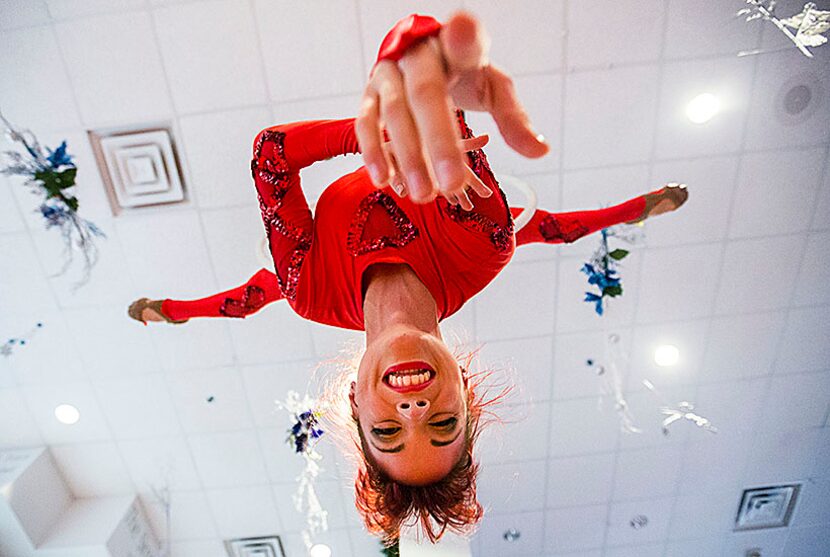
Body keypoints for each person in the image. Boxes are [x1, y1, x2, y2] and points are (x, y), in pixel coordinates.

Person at [127, 12, 688, 544]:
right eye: (443, 423)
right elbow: (436, 100)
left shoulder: (308, 290)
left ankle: (164, 314)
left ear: (354, 401)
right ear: (466, 393)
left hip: (324, 276)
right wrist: (421, 58)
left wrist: (365, 136)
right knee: (537, 229)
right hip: (460, 246)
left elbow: (271, 155)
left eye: (388, 432)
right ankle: (639, 210)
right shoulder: (483, 247)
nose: (414, 412)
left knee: (258, 294)